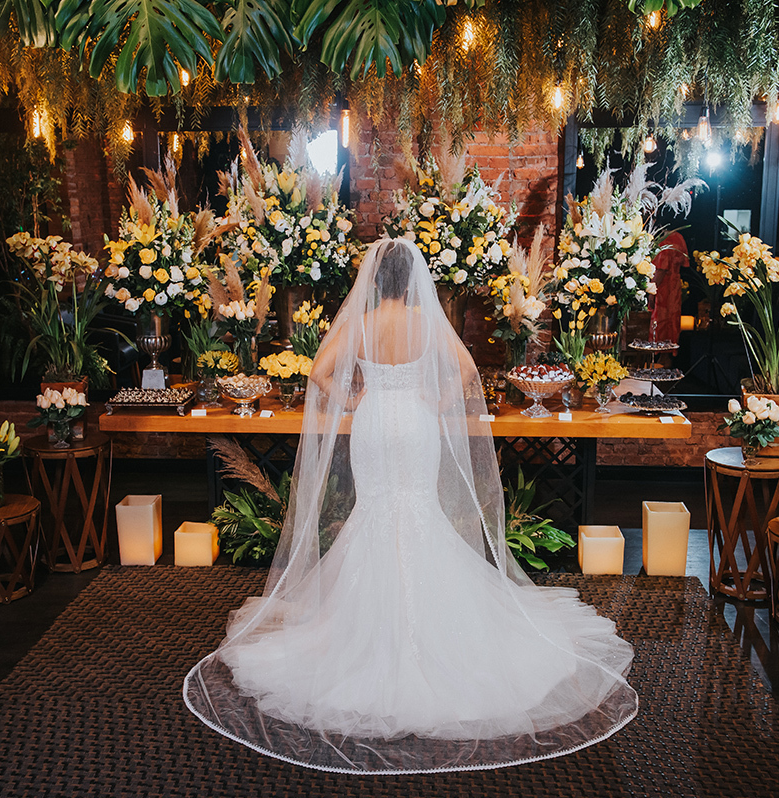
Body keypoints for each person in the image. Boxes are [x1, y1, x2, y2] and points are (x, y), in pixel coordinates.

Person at [183, 238, 637, 774]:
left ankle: (363, 631)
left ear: (375, 282)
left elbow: (318, 374)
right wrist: (435, 402)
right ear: (412, 279)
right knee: (418, 511)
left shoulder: (362, 324)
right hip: (417, 425)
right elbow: (467, 373)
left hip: (375, 422)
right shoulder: (428, 323)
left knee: (375, 513)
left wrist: (354, 400)